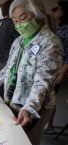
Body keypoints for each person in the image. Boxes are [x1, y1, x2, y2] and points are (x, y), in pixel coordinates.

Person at [0, 0, 63, 145]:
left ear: (38, 16)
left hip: (35, 105)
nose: (18, 25)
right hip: (13, 100)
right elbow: (8, 70)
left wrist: (29, 108)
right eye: (15, 21)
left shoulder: (50, 42)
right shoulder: (19, 41)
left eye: (22, 19)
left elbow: (43, 81)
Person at [45, 0, 68, 132]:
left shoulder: (66, 29)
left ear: (64, 12)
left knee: (49, 96)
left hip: (59, 69)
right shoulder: (56, 28)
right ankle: (49, 124)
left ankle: (50, 125)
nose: (53, 11)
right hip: (51, 67)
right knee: (47, 95)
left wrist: (62, 73)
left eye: (56, 9)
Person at [0, 0, 19, 78]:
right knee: (8, 90)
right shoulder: (14, 24)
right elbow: (22, 43)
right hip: (7, 64)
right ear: (12, 10)